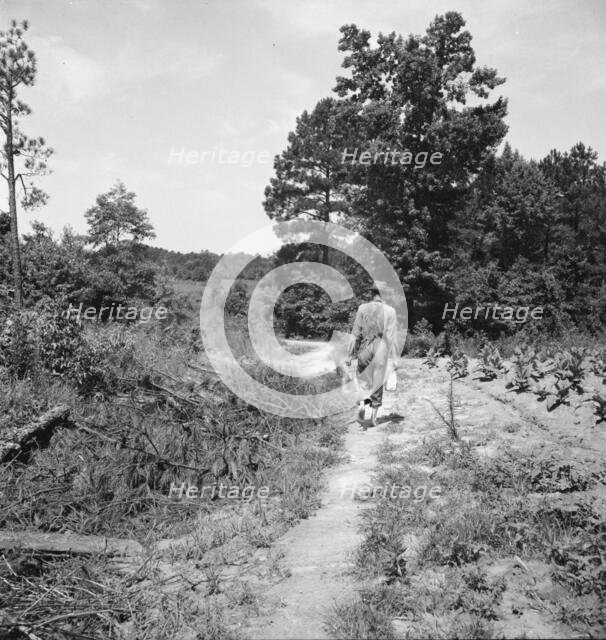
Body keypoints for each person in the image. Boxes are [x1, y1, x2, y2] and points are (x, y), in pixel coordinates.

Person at [346, 285, 398, 427]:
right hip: (381, 351)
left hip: (365, 349)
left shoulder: (362, 308)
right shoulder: (390, 311)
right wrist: (395, 359)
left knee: (363, 384)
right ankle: (373, 419)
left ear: (373, 294)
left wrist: (350, 356)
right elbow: (392, 337)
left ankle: (362, 415)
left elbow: (355, 334)